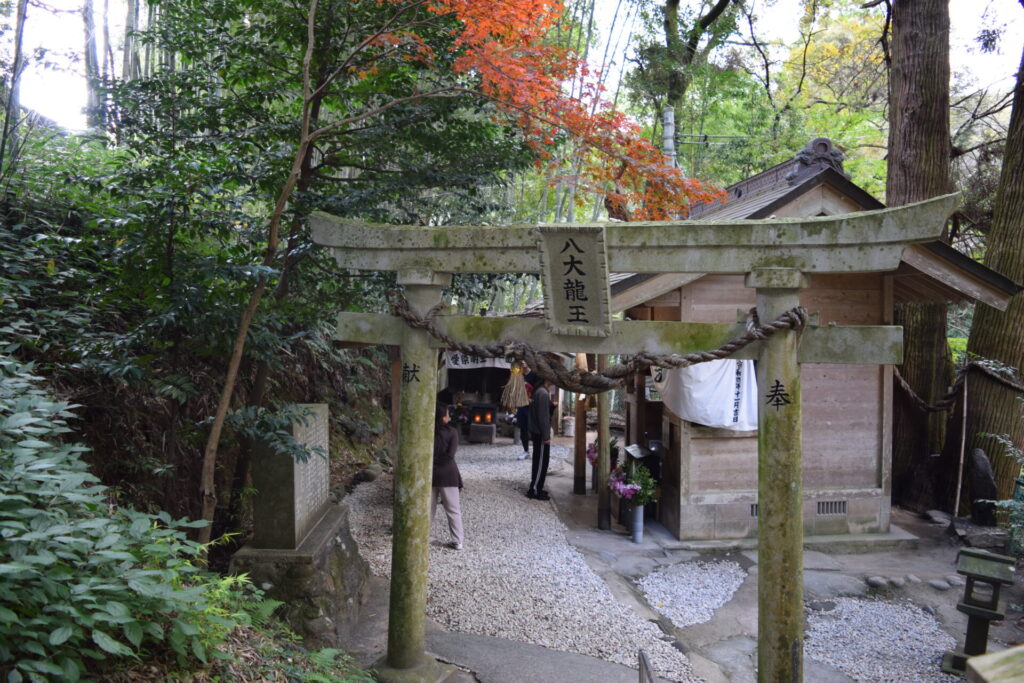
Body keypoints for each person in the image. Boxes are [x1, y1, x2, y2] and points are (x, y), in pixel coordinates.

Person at [432, 402, 464, 550]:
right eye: (447, 414)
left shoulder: (428, 431)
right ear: (442, 417)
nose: (449, 417)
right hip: (448, 474)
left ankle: (422, 536)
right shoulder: (452, 432)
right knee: (453, 509)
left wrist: (432, 464)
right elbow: (450, 455)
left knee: (427, 509)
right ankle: (457, 540)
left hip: (430, 474)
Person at [527, 377, 554, 500]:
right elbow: (543, 417)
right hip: (540, 433)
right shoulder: (542, 393)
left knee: (539, 460)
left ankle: (536, 487)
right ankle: (535, 490)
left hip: (536, 431)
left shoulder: (539, 391)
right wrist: (546, 436)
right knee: (541, 462)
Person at [515, 382, 533, 460]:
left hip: (529, 415)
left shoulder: (529, 387)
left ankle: (532, 452)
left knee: (531, 434)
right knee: (523, 434)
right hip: (522, 414)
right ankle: (526, 451)